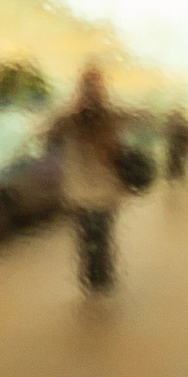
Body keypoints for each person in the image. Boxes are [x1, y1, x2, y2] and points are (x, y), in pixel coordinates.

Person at [50, 65, 128, 297]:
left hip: (94, 189)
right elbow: (48, 133)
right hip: (90, 189)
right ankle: (98, 277)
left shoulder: (105, 116)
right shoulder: (71, 118)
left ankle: (96, 277)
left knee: (93, 235)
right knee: (96, 235)